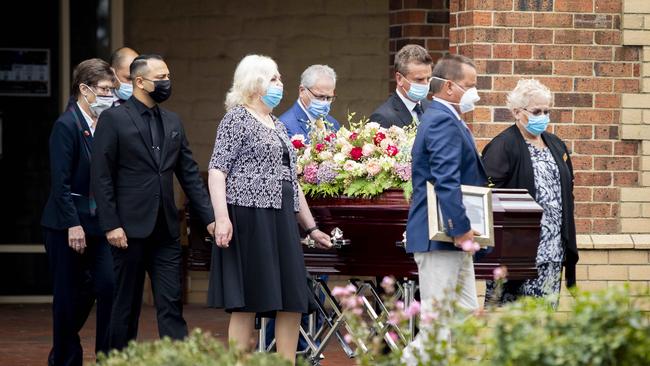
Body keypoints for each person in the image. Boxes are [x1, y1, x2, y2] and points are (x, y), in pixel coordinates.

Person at [206, 54, 332, 365]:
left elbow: (292, 181)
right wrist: (221, 218)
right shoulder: (236, 118)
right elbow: (217, 170)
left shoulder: (277, 124)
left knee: (292, 298)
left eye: (278, 78)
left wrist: (312, 227)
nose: (280, 84)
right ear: (255, 83)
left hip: (280, 219)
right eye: (273, 79)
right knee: (248, 301)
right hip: (248, 216)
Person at [90, 54, 215, 350]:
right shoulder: (113, 119)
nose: (166, 83)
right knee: (126, 307)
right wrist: (111, 225)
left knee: (171, 304)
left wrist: (211, 218)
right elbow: (101, 176)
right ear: (140, 81)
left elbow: (188, 175)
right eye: (160, 78)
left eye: (168, 76)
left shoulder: (172, 121)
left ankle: (178, 359)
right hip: (127, 232)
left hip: (165, 232)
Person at [402, 54, 485, 365]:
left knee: (463, 312)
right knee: (437, 324)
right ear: (450, 86)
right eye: (470, 86)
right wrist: (461, 228)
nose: (474, 93)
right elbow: (445, 179)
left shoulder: (447, 117)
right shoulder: (441, 119)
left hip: (450, 236)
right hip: (442, 235)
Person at [41, 58, 116, 366]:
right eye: (104, 89)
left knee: (109, 286)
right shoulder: (66, 125)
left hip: (100, 225)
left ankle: (108, 357)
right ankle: (65, 358)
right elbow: (59, 183)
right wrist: (73, 224)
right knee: (68, 298)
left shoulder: (105, 124)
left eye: (112, 89)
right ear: (84, 89)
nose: (110, 95)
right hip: (67, 225)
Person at [483, 79, 578, 309]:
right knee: (512, 322)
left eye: (547, 111)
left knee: (543, 321)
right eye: (536, 111)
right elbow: (487, 194)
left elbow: (568, 190)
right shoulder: (503, 146)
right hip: (517, 253)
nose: (543, 116)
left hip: (552, 251)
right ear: (517, 112)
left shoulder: (556, 144)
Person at [369, 44, 433, 128]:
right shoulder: (382, 117)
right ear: (399, 79)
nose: (425, 84)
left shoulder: (432, 109)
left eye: (428, 78)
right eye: (419, 80)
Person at [278, 64, 340, 142]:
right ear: (302, 91)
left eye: (329, 98)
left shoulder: (333, 124)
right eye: (319, 97)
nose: (325, 102)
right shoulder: (284, 125)